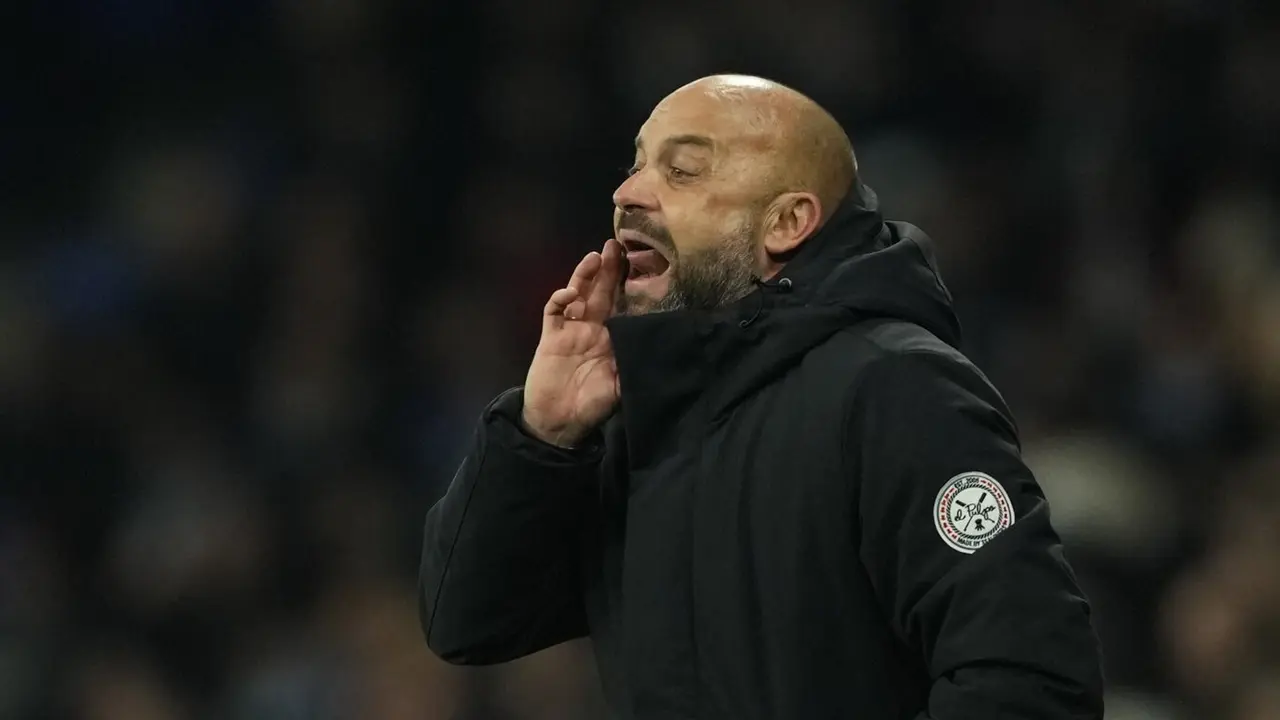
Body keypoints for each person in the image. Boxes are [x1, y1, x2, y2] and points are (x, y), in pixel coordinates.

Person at [418, 74, 1105, 719]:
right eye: (635, 165)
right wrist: (541, 437)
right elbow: (469, 621)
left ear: (786, 222)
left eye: (681, 170)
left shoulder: (896, 387)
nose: (628, 193)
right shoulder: (638, 423)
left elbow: (1029, 680)